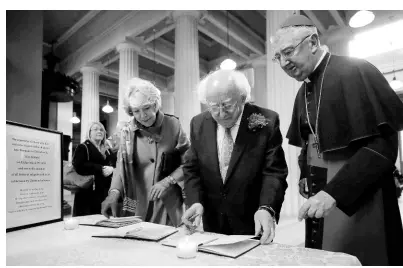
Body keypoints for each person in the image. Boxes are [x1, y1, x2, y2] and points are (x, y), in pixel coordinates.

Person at [270, 14, 403, 265]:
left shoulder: (356, 70)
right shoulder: (303, 91)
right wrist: (304, 174)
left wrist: (336, 192)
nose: (284, 63)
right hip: (320, 191)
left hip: (358, 194)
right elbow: (308, 140)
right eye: (278, 57)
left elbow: (383, 144)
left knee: (356, 256)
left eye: (288, 52)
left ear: (312, 43)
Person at [182, 69, 288, 244]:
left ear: (242, 97)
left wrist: (267, 207)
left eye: (228, 105)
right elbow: (192, 168)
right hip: (213, 218)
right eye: (214, 106)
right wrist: (195, 200)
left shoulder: (266, 121)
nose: (221, 113)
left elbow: (274, 172)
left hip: (253, 218)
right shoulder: (198, 123)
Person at [101, 77, 190, 227]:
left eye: (147, 108)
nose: (143, 115)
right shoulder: (127, 132)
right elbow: (120, 167)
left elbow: (189, 162)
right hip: (138, 200)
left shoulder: (173, 125)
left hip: (167, 200)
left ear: (155, 105)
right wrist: (113, 193)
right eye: (136, 111)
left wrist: (167, 181)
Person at [73, 122, 115, 216]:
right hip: (88, 192)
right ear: (89, 132)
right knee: (88, 221)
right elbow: (78, 166)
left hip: (104, 190)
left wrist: (112, 169)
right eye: (95, 129)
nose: (99, 131)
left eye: (101, 130)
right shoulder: (83, 147)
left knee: (103, 219)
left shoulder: (107, 149)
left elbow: (115, 164)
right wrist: (101, 168)